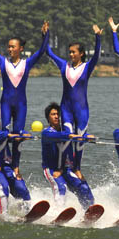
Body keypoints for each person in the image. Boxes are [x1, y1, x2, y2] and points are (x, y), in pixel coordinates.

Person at [0, 19, 49, 176]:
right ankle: (0, 164)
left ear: (21, 49)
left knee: (18, 136)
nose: (9, 49)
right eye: (8, 46)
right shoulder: (2, 62)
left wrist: (45, 35)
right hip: (6, 104)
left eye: (13, 46)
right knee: (4, 134)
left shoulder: (27, 63)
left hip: (21, 105)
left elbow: (41, 51)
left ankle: (15, 166)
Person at [45, 24, 102, 177]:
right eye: (69, 52)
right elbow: (49, 52)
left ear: (81, 53)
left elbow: (96, 55)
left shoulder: (87, 66)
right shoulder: (64, 65)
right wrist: (46, 34)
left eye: (73, 52)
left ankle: (77, 168)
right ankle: (61, 167)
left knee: (80, 141)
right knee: (67, 137)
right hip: (66, 109)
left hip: (82, 110)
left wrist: (98, 37)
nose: (70, 54)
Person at [41, 102, 95, 211]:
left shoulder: (67, 131)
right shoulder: (46, 132)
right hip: (51, 169)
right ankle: (57, 212)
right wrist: (68, 135)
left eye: (58, 114)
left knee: (83, 187)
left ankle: (89, 210)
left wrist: (86, 137)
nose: (56, 116)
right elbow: (57, 136)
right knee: (62, 187)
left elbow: (77, 135)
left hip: (66, 169)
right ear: (48, 117)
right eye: (53, 114)